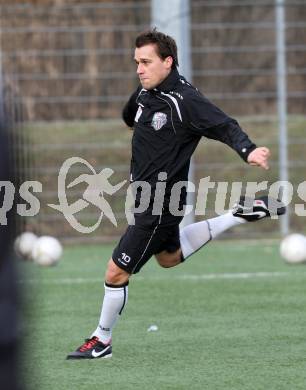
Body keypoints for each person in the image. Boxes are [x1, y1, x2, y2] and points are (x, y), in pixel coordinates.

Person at [67, 29, 285, 360]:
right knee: (168, 258)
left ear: (168, 62)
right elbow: (133, 114)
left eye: (146, 62)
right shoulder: (145, 92)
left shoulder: (186, 101)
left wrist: (249, 150)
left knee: (116, 271)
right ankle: (238, 215)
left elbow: (224, 125)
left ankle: (102, 340)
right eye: (136, 62)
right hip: (147, 199)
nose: (139, 69)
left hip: (159, 204)